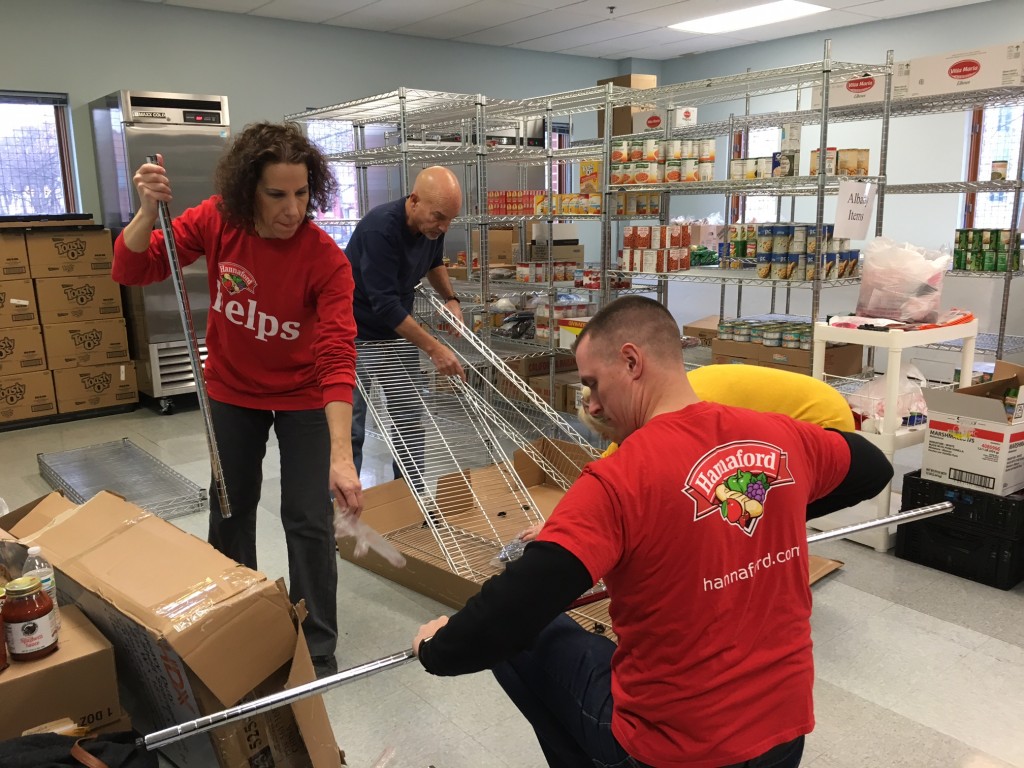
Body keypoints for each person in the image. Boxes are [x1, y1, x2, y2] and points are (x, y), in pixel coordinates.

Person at [413, 296, 893, 767]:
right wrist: (776, 512)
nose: (594, 406)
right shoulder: (782, 435)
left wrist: (437, 646)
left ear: (631, 362)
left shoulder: (618, 479)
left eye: (594, 384)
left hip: (670, 753)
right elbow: (873, 467)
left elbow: (509, 613)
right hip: (784, 740)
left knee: (535, 631)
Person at [112, 122, 361, 679]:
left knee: (308, 515)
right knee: (230, 506)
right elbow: (133, 267)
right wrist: (147, 213)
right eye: (277, 194)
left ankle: (316, 642)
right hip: (231, 389)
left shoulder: (326, 260)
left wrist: (341, 454)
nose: (292, 209)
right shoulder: (218, 220)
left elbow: (337, 357)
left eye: (302, 194)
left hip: (303, 397)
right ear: (249, 189)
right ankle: (235, 619)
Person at [344, 166, 466, 489]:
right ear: (414, 201)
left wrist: (451, 299)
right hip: (353, 335)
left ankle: (410, 499)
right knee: (350, 427)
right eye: (439, 217)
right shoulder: (380, 231)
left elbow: (434, 262)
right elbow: (385, 306)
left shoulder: (431, 230)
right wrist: (434, 347)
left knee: (409, 419)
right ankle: (341, 514)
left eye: (450, 220)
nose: (443, 227)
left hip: (395, 338)